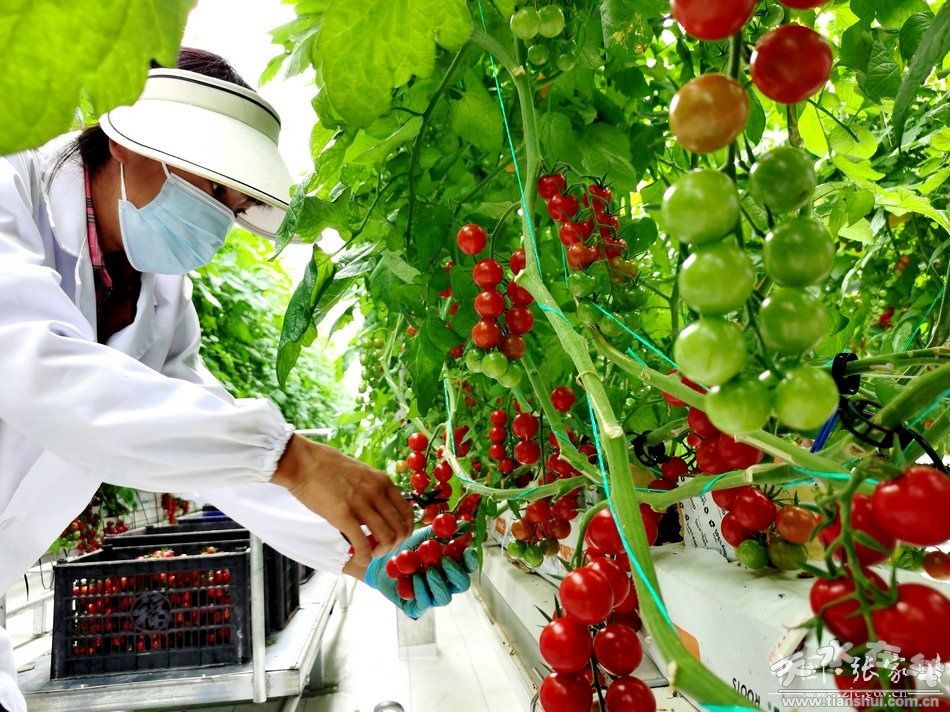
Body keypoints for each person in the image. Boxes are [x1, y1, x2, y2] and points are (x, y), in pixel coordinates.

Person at [0, 49, 471, 712]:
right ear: (131, 139)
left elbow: (210, 453)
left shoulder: (161, 294)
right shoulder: (10, 197)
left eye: (238, 203)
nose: (221, 220)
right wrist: (294, 458)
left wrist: (355, 551)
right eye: (216, 190)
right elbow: (35, 372)